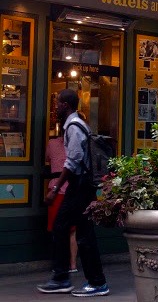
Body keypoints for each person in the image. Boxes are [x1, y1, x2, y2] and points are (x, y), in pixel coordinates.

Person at [37, 89, 109, 296]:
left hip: (81, 186)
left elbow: (74, 160)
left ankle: (95, 282)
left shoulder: (74, 127)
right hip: (80, 186)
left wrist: (56, 188)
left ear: (65, 105)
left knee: (82, 234)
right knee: (63, 227)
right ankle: (63, 278)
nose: (55, 107)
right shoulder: (74, 125)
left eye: (57, 103)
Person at [45, 133, 78, 274]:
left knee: (57, 230)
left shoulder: (51, 143)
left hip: (56, 190)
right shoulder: (77, 145)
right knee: (73, 231)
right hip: (73, 189)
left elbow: (47, 159)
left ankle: (60, 264)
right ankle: (73, 264)